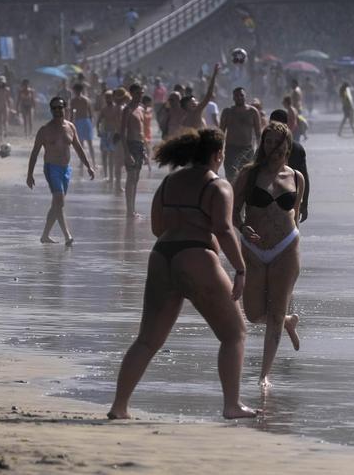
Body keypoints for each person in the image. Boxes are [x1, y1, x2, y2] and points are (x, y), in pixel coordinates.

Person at [108, 127, 257, 420]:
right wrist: (240, 268)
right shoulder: (218, 186)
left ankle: (119, 406)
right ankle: (232, 405)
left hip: (162, 255)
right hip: (196, 255)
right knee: (234, 333)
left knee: (147, 340)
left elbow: (156, 227)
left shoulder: (169, 181)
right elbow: (224, 230)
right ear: (218, 154)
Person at [232, 122, 303, 388]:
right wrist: (242, 227)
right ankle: (287, 321)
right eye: (268, 141)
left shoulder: (296, 177)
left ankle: (264, 375)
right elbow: (233, 211)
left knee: (274, 313)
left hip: (287, 247)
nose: (273, 147)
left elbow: (294, 213)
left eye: (278, 142)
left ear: (287, 144)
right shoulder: (249, 175)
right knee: (253, 314)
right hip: (253, 249)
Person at [26, 97, 95, 246]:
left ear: (65, 109)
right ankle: (67, 236)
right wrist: (29, 174)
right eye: (54, 108)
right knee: (60, 201)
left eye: (60, 107)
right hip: (51, 168)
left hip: (66, 169)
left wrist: (88, 166)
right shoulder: (45, 130)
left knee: (57, 204)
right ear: (51, 110)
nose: (57, 110)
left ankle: (45, 235)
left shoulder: (70, 127)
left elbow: (78, 147)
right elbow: (34, 152)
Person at [268, 110, 309, 223]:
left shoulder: (265, 147)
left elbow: (304, 178)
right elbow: (305, 179)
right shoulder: (297, 148)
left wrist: (304, 204)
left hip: (276, 200)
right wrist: (304, 204)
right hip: (286, 199)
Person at [219, 86, 262, 182]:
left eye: (241, 95)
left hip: (247, 149)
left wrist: (260, 150)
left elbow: (258, 133)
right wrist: (218, 148)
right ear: (233, 98)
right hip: (231, 149)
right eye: (236, 96)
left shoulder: (253, 112)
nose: (239, 97)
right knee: (230, 176)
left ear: (245, 96)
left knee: (246, 177)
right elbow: (221, 132)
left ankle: (242, 196)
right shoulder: (227, 112)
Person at [120, 83, 147, 217]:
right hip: (131, 145)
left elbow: (142, 132)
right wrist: (126, 153)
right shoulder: (127, 109)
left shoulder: (141, 109)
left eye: (141, 92)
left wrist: (145, 151)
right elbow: (122, 132)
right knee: (131, 177)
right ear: (132, 94)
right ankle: (129, 210)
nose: (140, 95)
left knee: (136, 178)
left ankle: (133, 209)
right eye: (138, 93)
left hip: (140, 145)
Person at [181, 64, 219, 130]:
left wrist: (214, 75)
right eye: (192, 103)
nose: (195, 103)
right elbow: (208, 94)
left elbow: (209, 94)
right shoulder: (192, 112)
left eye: (195, 102)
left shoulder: (194, 112)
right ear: (186, 105)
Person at [71, 83, 96, 169]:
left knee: (89, 143)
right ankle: (82, 163)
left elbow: (91, 114)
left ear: (79, 91)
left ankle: (93, 162)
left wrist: (92, 124)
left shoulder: (86, 100)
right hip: (79, 122)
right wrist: (71, 124)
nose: (75, 92)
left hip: (85, 121)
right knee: (81, 144)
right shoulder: (73, 101)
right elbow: (71, 114)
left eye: (75, 91)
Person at [95, 90, 116, 181]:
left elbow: (119, 122)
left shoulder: (116, 108)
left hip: (113, 133)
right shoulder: (104, 109)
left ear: (113, 98)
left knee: (112, 155)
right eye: (107, 97)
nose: (108, 99)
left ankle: (111, 176)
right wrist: (98, 131)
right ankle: (105, 174)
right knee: (104, 155)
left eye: (110, 97)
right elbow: (98, 121)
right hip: (105, 133)